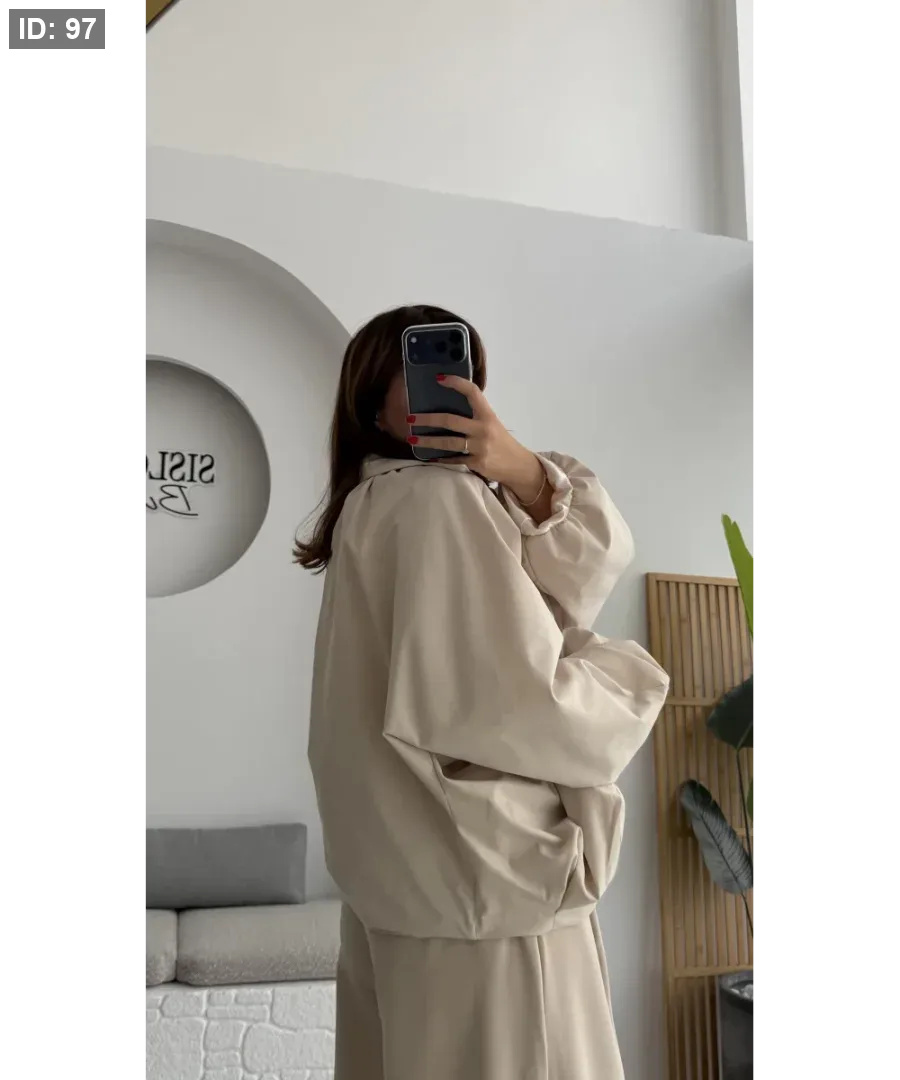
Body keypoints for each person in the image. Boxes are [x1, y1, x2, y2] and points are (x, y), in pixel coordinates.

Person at [296, 304, 670, 1080]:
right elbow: (523, 704)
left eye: (463, 370)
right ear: (373, 402)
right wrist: (628, 676)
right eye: (419, 371)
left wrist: (522, 470)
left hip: (409, 890)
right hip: (488, 896)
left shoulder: (371, 506)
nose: (449, 386)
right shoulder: (436, 500)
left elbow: (574, 570)